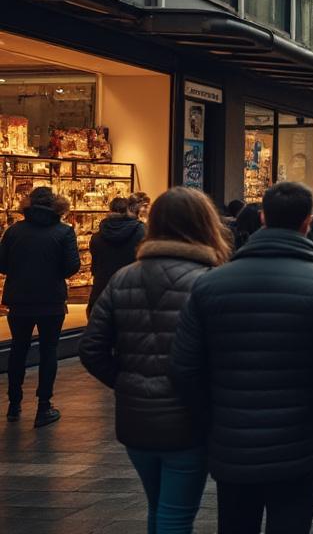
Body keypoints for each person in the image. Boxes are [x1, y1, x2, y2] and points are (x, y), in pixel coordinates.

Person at [170, 182, 313, 532]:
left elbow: (183, 366)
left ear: (262, 218)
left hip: (231, 439)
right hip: (299, 439)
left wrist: (211, 418)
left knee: (235, 523)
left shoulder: (211, 283)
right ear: (307, 222)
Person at [79, 187, 232, 534]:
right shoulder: (210, 281)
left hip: (135, 416)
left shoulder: (124, 278)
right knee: (175, 514)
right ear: (206, 224)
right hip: (188, 416)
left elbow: (91, 348)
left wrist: (125, 381)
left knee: (159, 507)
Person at [1, 186, 80, 427]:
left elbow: (2, 264)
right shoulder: (64, 232)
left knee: (18, 349)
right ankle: (43, 406)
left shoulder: (14, 231)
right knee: (48, 351)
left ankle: (14, 404)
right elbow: (72, 267)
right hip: (51, 301)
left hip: (19, 300)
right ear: (57, 205)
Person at [87, 197, 146, 311]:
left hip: (102, 292)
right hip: (132, 294)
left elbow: (95, 267)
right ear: (129, 210)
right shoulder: (141, 232)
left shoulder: (97, 237)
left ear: (110, 211)